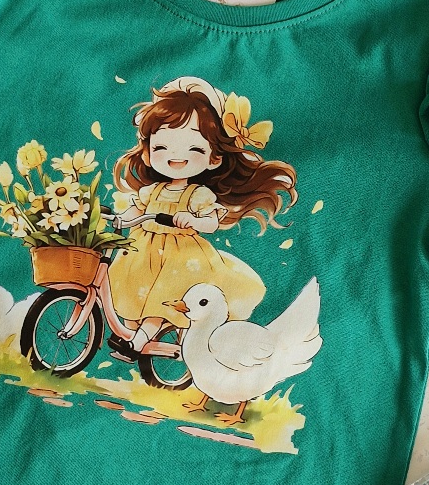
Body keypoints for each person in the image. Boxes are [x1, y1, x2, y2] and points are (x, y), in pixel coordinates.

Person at [107, 75, 297, 358]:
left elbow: (210, 222)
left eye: (194, 149)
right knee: (129, 292)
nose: (176, 157)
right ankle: (135, 336)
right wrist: (120, 218)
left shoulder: (197, 195)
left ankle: (135, 345)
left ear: (213, 158)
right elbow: (136, 209)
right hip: (143, 254)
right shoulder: (152, 190)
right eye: (161, 148)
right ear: (147, 153)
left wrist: (194, 221)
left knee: (160, 302)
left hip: (179, 259)